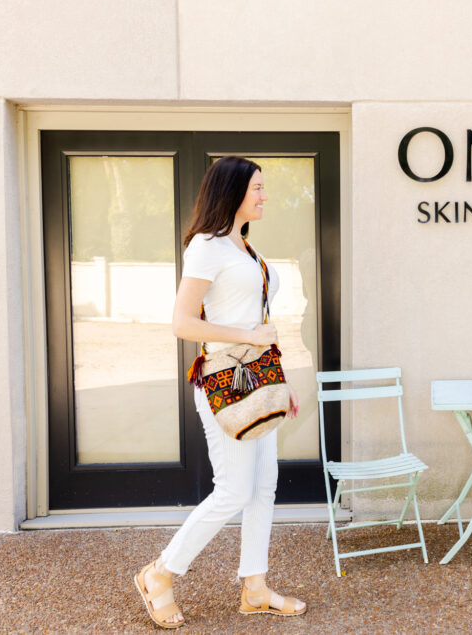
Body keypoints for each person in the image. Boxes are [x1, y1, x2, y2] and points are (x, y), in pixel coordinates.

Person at [134, 156, 305, 628]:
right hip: (224, 383)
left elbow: (260, 322)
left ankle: (255, 587)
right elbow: (182, 322)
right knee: (233, 490)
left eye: (264, 188)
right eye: (257, 188)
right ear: (231, 192)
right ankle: (160, 575)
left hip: (258, 380)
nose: (264, 196)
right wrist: (250, 338)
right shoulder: (207, 247)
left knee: (263, 487)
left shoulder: (245, 248)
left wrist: (281, 379)